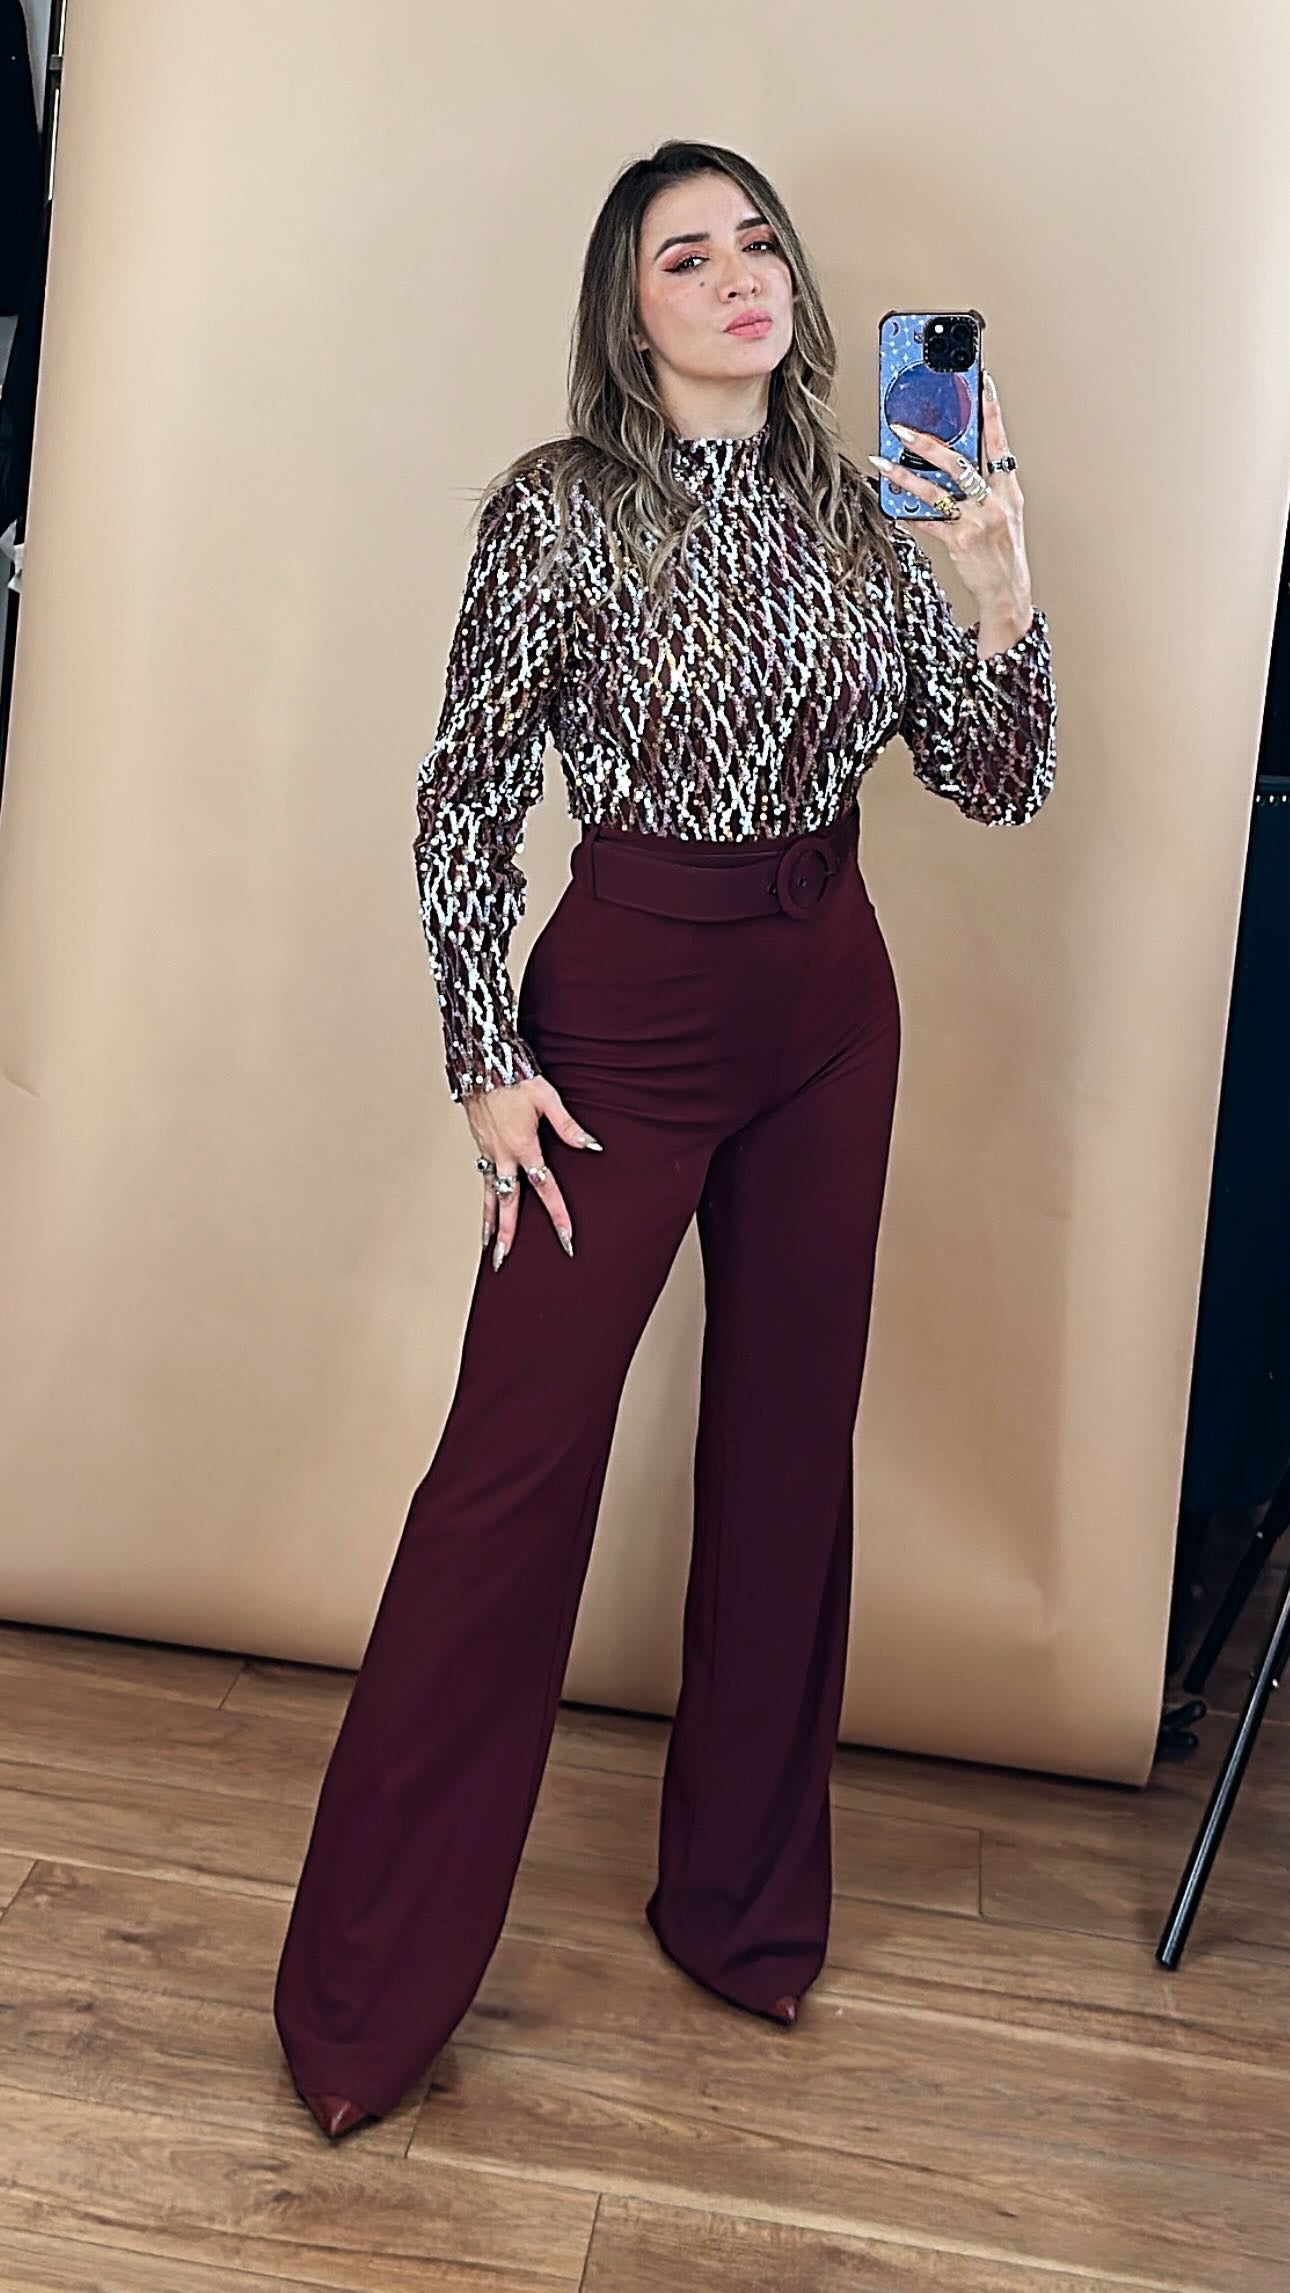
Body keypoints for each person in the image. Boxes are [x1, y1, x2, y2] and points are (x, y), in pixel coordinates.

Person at [272, 136, 1057, 2139]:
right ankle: (359, 2000)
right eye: (684, 257)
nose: (736, 277)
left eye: (756, 242)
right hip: (623, 1010)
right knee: (508, 1475)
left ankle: (740, 1910)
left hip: (829, 1005)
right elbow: (464, 795)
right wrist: (482, 1053)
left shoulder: (873, 505)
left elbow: (992, 782)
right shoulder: (553, 511)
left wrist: (996, 593)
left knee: (789, 1457)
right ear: (629, 317)